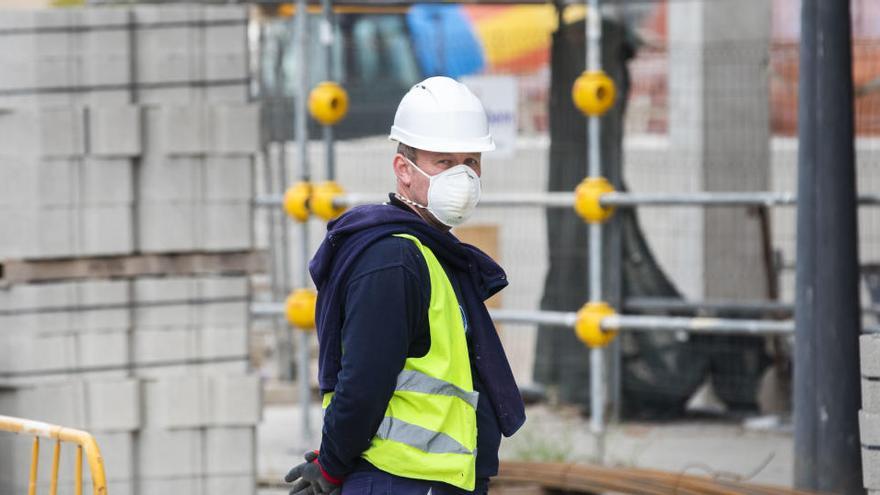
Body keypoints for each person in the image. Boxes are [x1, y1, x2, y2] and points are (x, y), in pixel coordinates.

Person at [284, 76, 526, 495]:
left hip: (426, 480)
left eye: (471, 162)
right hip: (404, 480)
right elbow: (363, 382)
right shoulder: (394, 260)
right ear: (404, 170)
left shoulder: (432, 252)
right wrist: (331, 465)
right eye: (444, 162)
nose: (463, 177)